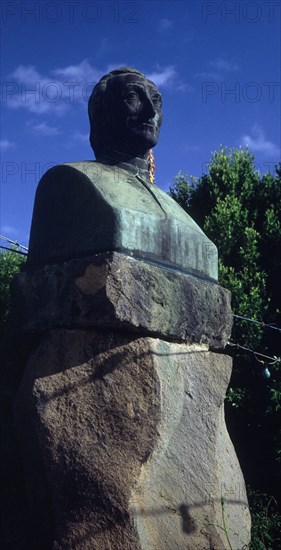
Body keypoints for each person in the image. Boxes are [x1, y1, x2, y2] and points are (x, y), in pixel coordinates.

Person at [27, 67, 217, 281]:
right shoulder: (67, 181)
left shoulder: (176, 210)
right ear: (102, 112)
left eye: (156, 101)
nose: (150, 112)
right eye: (133, 97)